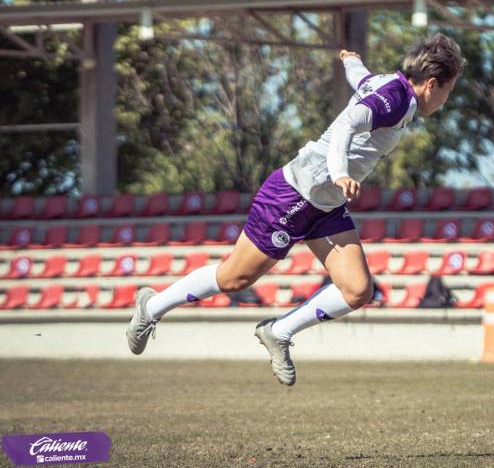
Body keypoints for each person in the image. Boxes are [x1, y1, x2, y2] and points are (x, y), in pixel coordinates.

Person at [126, 33, 465, 386]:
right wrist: (340, 173)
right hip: (293, 194)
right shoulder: (395, 100)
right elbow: (349, 123)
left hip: (326, 205)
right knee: (235, 278)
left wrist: (350, 60)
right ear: (431, 84)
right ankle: (151, 307)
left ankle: (279, 331)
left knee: (357, 290)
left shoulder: (389, 86)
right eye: (448, 91)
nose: (445, 99)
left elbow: (362, 80)